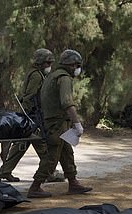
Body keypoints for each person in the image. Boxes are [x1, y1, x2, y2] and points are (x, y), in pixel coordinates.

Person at [27, 49, 92, 198]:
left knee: (66, 153)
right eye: (76, 65)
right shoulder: (64, 78)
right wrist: (77, 123)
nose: (77, 68)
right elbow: (67, 103)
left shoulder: (52, 76)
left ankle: (73, 183)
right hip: (57, 124)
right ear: (70, 65)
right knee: (52, 156)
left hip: (54, 123)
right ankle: (35, 186)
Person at [0, 48, 64, 183]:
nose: (49, 66)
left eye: (50, 63)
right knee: (42, 144)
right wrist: (29, 116)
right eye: (47, 63)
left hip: (31, 115)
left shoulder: (36, 73)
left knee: (21, 144)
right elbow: (29, 96)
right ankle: (49, 172)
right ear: (40, 62)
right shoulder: (36, 75)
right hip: (33, 116)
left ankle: (5, 171)